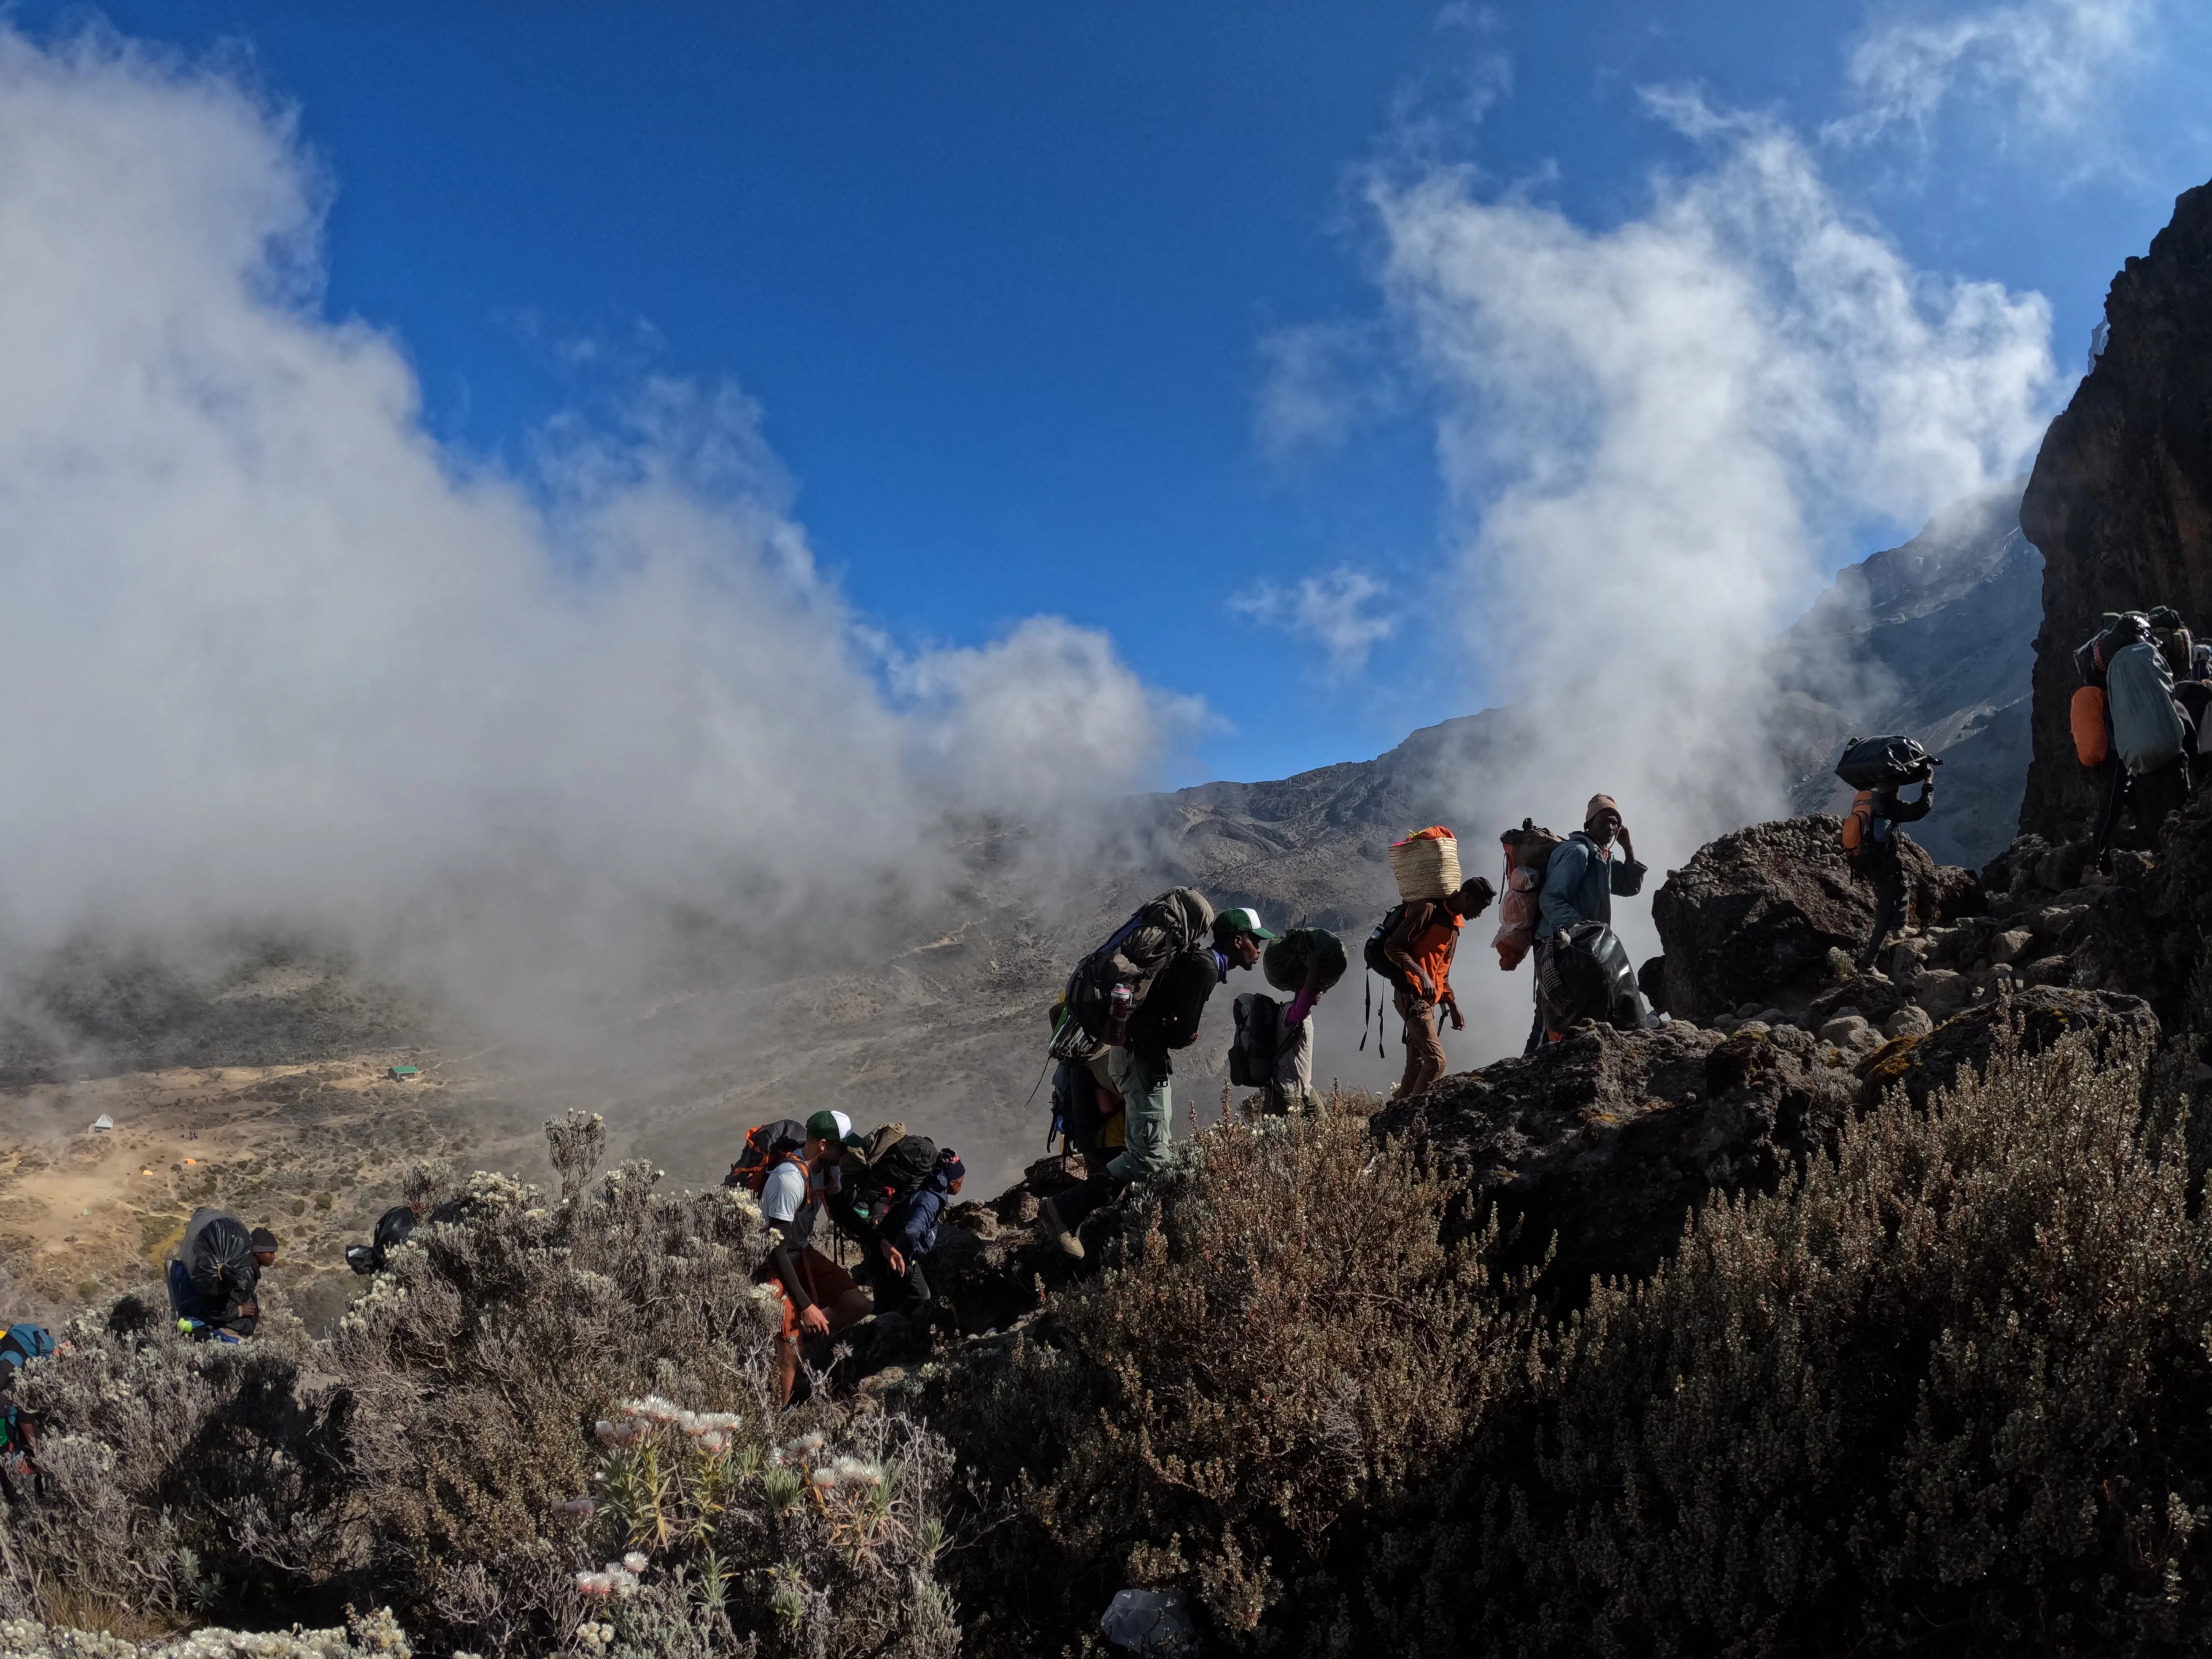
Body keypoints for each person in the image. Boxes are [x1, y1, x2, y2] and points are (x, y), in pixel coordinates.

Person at [1108, 907, 1274, 1185]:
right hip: (1142, 1062)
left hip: (1136, 1057)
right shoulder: (1205, 968)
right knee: (1150, 1158)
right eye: (1254, 941)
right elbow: (1182, 1034)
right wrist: (1185, 1033)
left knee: (1151, 1152)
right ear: (1237, 941)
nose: (1258, 949)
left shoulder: (1198, 961)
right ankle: (1068, 1208)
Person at [757, 1110, 872, 1406]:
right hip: (773, 1264)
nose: (846, 1153)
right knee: (788, 1347)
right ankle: (779, 1413)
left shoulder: (825, 1168)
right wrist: (807, 1306)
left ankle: (804, 1347)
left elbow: (842, 1210)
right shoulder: (789, 1180)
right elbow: (776, 1249)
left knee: (857, 1305)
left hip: (801, 1252)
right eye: (842, 1147)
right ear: (823, 1144)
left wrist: (881, 1243)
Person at [1530, 795, 1650, 1051]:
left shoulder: (1604, 856)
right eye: (1604, 821)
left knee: (1575, 1010)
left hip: (1582, 946)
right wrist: (1582, 929)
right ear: (1589, 823)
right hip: (1559, 944)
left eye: (1615, 823)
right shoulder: (1578, 852)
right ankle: (1531, 1066)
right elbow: (1551, 899)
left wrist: (1629, 850)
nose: (1610, 828)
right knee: (1553, 1012)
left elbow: (1630, 887)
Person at [1381, 882, 1495, 1096]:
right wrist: (1419, 973)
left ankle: (1396, 1114)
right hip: (1411, 996)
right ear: (1467, 897)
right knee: (1436, 1062)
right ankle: (1413, 1115)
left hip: (1427, 1001)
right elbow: (1392, 946)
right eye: (1480, 907)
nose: (1479, 914)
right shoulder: (1428, 911)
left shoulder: (1454, 927)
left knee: (1417, 1064)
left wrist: (1452, 1005)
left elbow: (1442, 972)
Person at [1037, 1036, 1125, 1260]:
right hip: (1111, 1138)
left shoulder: (1076, 1052)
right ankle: (1083, 1246)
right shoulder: (1098, 1057)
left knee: (1099, 1193)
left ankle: (1083, 1246)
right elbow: (1105, 1105)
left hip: (1090, 1139)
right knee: (1106, 1193)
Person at [1848, 764, 1935, 973]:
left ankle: (1900, 926)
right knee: (1884, 913)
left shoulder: (1869, 803)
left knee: (1903, 881)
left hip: (1868, 863)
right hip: (1882, 865)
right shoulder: (1891, 806)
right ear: (1895, 788)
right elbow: (1922, 808)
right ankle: (1868, 964)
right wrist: (1929, 782)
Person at [1259, 926, 1350, 1114]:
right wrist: (1313, 971)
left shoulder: (1299, 1013)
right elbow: (1301, 1009)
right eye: (1319, 988)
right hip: (1288, 1092)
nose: (1322, 992)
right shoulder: (1290, 1013)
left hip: (1305, 1090)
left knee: (1324, 1130)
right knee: (1289, 1139)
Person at [168, 1210, 278, 1340]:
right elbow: (215, 1308)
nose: (274, 1257)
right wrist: (240, 1311)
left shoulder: (244, 1269)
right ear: (258, 1253)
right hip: (226, 1334)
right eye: (270, 1253)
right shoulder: (240, 1277)